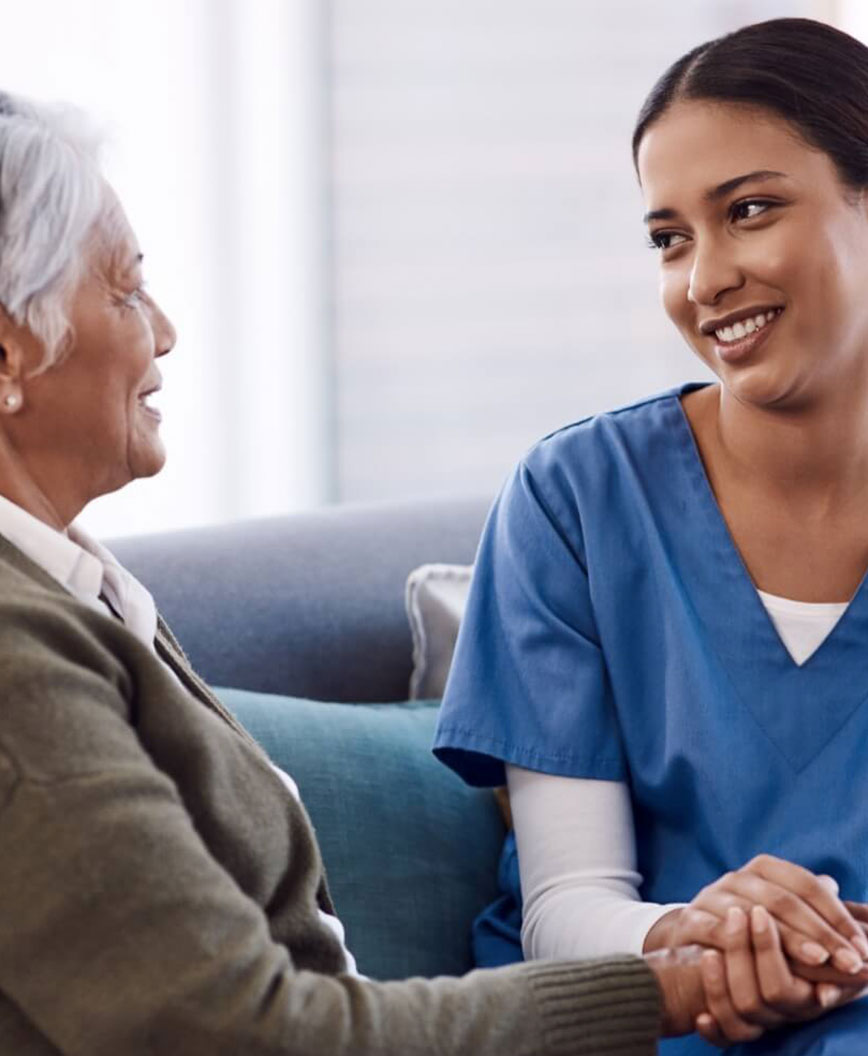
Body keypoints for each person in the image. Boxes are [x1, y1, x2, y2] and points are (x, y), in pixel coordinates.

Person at [0, 88, 816, 1056]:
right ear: (10, 354)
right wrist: (664, 988)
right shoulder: (20, 658)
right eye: (128, 290)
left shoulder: (81, 594)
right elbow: (245, 1036)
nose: (166, 331)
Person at [434, 15, 868, 1056]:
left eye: (749, 211)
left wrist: (825, 955)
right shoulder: (575, 500)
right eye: (668, 238)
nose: (702, 279)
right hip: (649, 1020)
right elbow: (567, 905)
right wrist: (701, 934)